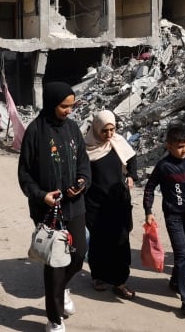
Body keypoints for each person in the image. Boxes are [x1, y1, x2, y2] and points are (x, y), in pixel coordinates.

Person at [18, 82, 91, 332]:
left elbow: (83, 162)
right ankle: (54, 319)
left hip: (75, 206)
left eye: (72, 106)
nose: (69, 111)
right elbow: (24, 173)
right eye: (64, 106)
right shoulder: (35, 132)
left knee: (79, 253)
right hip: (47, 210)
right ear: (51, 104)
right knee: (55, 263)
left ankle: (62, 290)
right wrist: (41, 196)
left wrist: (82, 182)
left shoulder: (72, 129)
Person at [143, 124, 185, 314]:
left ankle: (175, 282)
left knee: (183, 253)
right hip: (173, 217)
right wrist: (148, 210)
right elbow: (149, 188)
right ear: (169, 146)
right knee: (181, 253)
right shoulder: (164, 167)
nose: (184, 149)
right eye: (179, 146)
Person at [83, 110, 138, 300]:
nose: (108, 135)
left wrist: (131, 176)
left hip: (118, 201)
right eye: (104, 131)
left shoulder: (118, 142)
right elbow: (81, 175)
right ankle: (98, 276)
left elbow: (132, 159)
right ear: (97, 129)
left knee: (121, 242)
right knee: (99, 243)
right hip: (96, 205)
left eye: (112, 130)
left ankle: (120, 281)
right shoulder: (87, 148)